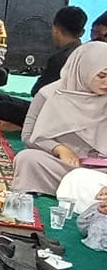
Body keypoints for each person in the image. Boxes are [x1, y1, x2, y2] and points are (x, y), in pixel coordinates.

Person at [0, 6, 85, 131]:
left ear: (55, 29)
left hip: (52, 116)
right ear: (82, 32)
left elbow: (37, 92)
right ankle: (13, 122)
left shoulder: (60, 59)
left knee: (3, 107)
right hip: (65, 113)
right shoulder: (85, 53)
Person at [13, 41, 107, 196]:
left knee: (86, 180)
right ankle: (85, 192)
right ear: (83, 70)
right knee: (27, 159)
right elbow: (28, 136)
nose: (106, 82)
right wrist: (59, 149)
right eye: (101, 76)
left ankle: (87, 191)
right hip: (64, 166)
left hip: (100, 171)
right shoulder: (49, 94)